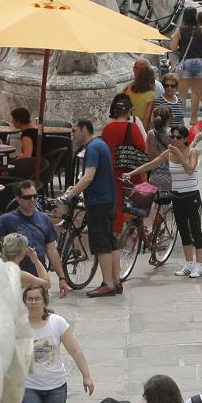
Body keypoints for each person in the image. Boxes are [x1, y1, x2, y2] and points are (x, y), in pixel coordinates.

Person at [126, 123, 202, 278]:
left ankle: (199, 265)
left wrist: (180, 155)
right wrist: (131, 173)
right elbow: (151, 164)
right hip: (177, 196)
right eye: (172, 136)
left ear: (185, 139)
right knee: (182, 231)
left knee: (195, 230)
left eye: (178, 137)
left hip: (191, 196)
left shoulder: (192, 152)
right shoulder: (168, 153)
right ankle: (188, 264)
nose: (174, 140)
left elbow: (189, 170)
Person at [66, 119, 123, 297]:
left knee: (101, 244)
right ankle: (116, 281)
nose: (73, 135)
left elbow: (88, 177)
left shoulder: (92, 148)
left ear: (84, 129)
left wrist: (70, 194)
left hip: (99, 202)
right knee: (111, 241)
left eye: (75, 131)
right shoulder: (101, 144)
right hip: (109, 199)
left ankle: (107, 283)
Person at [0, 181, 69, 295]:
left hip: (38, 276)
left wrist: (62, 278)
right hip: (16, 278)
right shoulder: (6, 220)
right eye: (27, 197)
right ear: (18, 199)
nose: (32, 200)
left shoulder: (44, 219)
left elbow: (51, 249)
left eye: (35, 196)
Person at [103, 95, 148, 234]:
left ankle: (116, 230)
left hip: (112, 168)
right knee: (136, 199)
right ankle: (136, 229)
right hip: (129, 169)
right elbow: (142, 146)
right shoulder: (132, 127)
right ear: (128, 112)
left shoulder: (107, 128)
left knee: (117, 200)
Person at [170, 7, 202, 125]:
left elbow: (172, 48)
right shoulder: (201, 30)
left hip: (186, 62)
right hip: (200, 62)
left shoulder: (179, 30)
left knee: (182, 94)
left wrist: (176, 42)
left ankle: (180, 121)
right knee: (200, 92)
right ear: (195, 16)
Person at [125, 58, 163, 122]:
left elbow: (148, 116)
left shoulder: (157, 87)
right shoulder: (129, 87)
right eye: (134, 68)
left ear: (145, 71)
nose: (134, 70)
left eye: (137, 68)